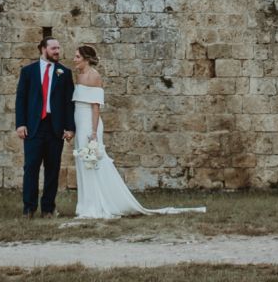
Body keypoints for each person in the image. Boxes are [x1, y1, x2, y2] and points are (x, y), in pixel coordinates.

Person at [69, 44, 205, 219]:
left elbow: (95, 107)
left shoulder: (95, 77)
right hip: (79, 122)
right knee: (83, 162)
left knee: (93, 162)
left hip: (90, 124)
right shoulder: (78, 76)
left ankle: (98, 204)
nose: (74, 59)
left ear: (86, 59)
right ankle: (86, 203)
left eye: (77, 57)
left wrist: (94, 132)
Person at [14, 35, 74, 216]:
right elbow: (21, 99)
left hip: (55, 128)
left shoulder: (64, 72)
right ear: (43, 49)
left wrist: (70, 128)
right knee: (30, 168)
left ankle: (48, 208)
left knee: (52, 169)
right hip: (33, 126)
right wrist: (21, 124)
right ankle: (29, 208)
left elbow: (69, 103)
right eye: (53, 48)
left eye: (58, 48)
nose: (57, 51)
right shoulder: (28, 72)